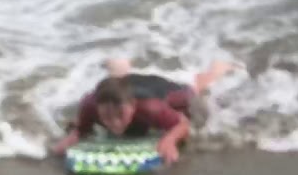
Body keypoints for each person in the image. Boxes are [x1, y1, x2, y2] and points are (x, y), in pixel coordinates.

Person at [50, 60, 236, 164]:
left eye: (120, 116)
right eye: (106, 117)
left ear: (132, 106)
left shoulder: (150, 107)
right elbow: (82, 129)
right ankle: (119, 66)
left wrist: (169, 140)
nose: (114, 123)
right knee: (115, 84)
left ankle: (218, 67)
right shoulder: (91, 105)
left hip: (163, 90)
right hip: (126, 86)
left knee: (194, 89)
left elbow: (182, 124)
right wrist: (71, 138)